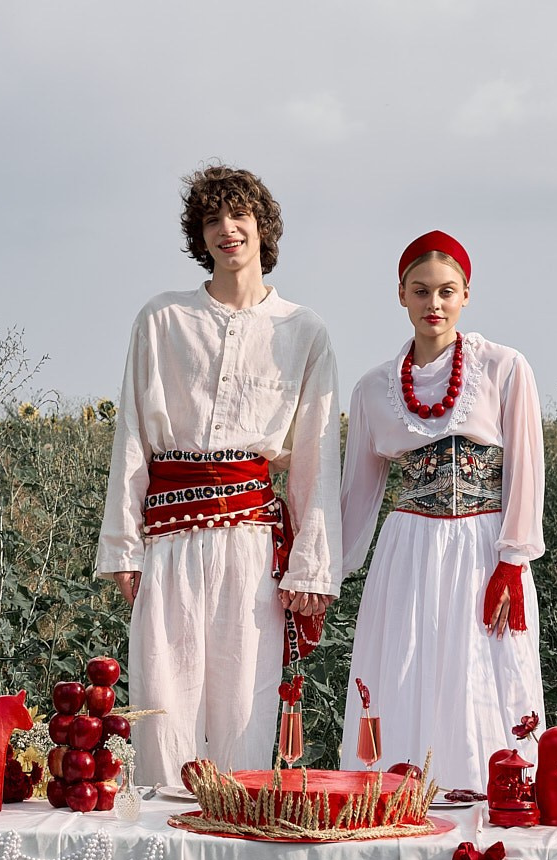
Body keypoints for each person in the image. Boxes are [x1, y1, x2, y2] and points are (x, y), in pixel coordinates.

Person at [96, 166, 341, 786]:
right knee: (161, 710)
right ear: (199, 235)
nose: (227, 229)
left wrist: (311, 566)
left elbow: (314, 458)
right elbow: (133, 435)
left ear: (263, 226)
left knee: (246, 716)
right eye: (212, 219)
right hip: (169, 540)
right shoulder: (163, 319)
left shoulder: (303, 330)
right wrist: (123, 546)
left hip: (251, 545)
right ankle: (157, 839)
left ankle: (239, 836)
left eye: (239, 215)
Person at [337, 231, 545, 789]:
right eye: (421, 290)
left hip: (483, 549)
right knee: (405, 671)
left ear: (466, 295)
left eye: (447, 291)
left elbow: (526, 470)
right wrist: (321, 575)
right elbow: (358, 495)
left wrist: (512, 561)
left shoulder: (504, 367)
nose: (434, 303)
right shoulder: (373, 388)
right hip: (407, 553)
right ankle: (395, 804)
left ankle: (489, 804)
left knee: (481, 675)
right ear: (401, 294)